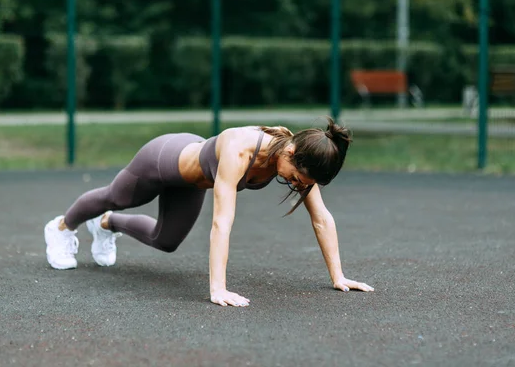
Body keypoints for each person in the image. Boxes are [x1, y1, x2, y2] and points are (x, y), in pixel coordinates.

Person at [44, 116, 374, 307]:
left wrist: (338, 276)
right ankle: (61, 228)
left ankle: (105, 225)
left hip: (191, 182)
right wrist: (218, 288)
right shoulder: (239, 149)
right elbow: (221, 222)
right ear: (291, 152)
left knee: (166, 240)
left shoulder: (299, 158)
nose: (298, 185)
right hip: (162, 160)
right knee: (116, 196)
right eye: (298, 179)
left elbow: (321, 218)